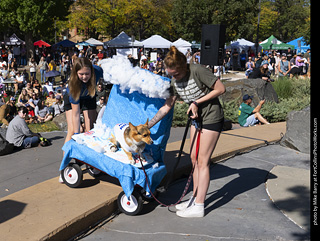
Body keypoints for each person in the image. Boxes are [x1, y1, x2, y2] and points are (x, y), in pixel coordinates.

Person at [148, 46, 226, 218]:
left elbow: (220, 89)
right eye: (170, 75)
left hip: (211, 117)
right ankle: (195, 198)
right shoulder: (174, 81)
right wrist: (149, 124)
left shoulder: (197, 71)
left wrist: (196, 102)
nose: (173, 78)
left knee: (202, 161)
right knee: (193, 158)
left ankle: (199, 206)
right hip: (196, 119)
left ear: (184, 67)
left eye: (176, 74)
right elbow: (167, 106)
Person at [63, 57, 103, 144]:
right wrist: (77, 135)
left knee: (90, 131)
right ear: (76, 73)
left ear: (91, 71)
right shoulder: (72, 87)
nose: (84, 77)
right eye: (81, 74)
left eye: (87, 74)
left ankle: (87, 155)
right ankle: (66, 155)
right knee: (72, 131)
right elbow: (76, 114)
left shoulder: (98, 71)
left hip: (89, 95)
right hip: (75, 94)